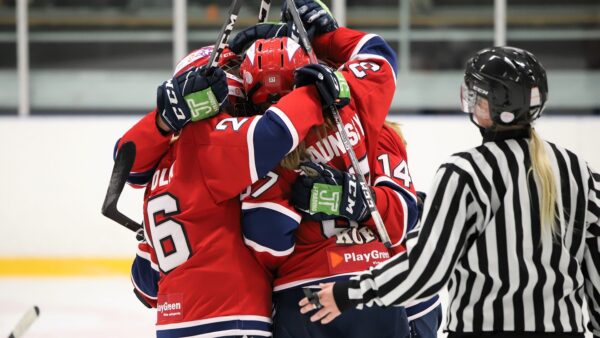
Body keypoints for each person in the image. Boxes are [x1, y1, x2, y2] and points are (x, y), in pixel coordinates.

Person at [298, 46, 600, 338]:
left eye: (477, 96)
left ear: (488, 107)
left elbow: (428, 271)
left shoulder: (465, 172)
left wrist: (348, 293)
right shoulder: (579, 170)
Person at [230, 1, 442, 337]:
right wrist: (328, 37)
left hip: (305, 295)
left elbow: (266, 239)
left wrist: (341, 198)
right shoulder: (365, 115)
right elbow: (377, 56)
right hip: (380, 286)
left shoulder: (259, 152)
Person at [118, 42, 347, 337]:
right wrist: (312, 93)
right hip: (231, 319)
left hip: (172, 324)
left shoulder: (159, 173)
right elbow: (275, 134)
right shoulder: (212, 142)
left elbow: (145, 285)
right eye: (233, 70)